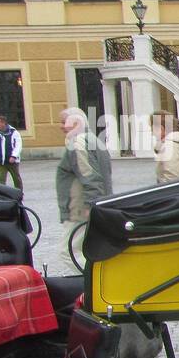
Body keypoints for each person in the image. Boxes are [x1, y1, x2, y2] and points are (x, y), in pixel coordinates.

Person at [54, 107, 113, 272]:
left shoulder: (78, 142)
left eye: (63, 121)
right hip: (90, 205)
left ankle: (91, 283)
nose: (60, 126)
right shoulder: (91, 140)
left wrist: (89, 204)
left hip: (80, 208)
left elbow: (90, 175)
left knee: (68, 252)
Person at [0, 115, 23, 191]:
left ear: (3, 123)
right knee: (1, 179)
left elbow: (18, 145)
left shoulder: (14, 132)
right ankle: (1, 195)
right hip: (0, 161)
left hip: (12, 161)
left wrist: (14, 156)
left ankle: (19, 193)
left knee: (16, 178)